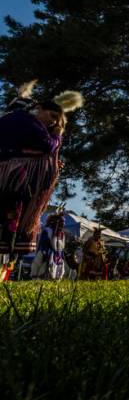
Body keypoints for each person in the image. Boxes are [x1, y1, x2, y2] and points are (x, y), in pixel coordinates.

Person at [0, 83, 83, 280]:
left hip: (10, 181)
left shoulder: (13, 120)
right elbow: (46, 145)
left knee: (9, 222)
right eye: (52, 117)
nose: (52, 123)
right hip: (13, 182)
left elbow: (34, 152)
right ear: (39, 109)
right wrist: (56, 136)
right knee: (10, 221)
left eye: (56, 120)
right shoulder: (27, 121)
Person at [30, 211, 67, 280]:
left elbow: (61, 247)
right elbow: (43, 243)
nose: (63, 225)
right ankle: (37, 279)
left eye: (63, 224)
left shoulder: (62, 234)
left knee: (56, 273)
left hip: (57, 255)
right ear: (55, 222)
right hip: (46, 252)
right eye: (61, 223)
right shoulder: (48, 231)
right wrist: (44, 253)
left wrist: (62, 255)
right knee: (39, 268)